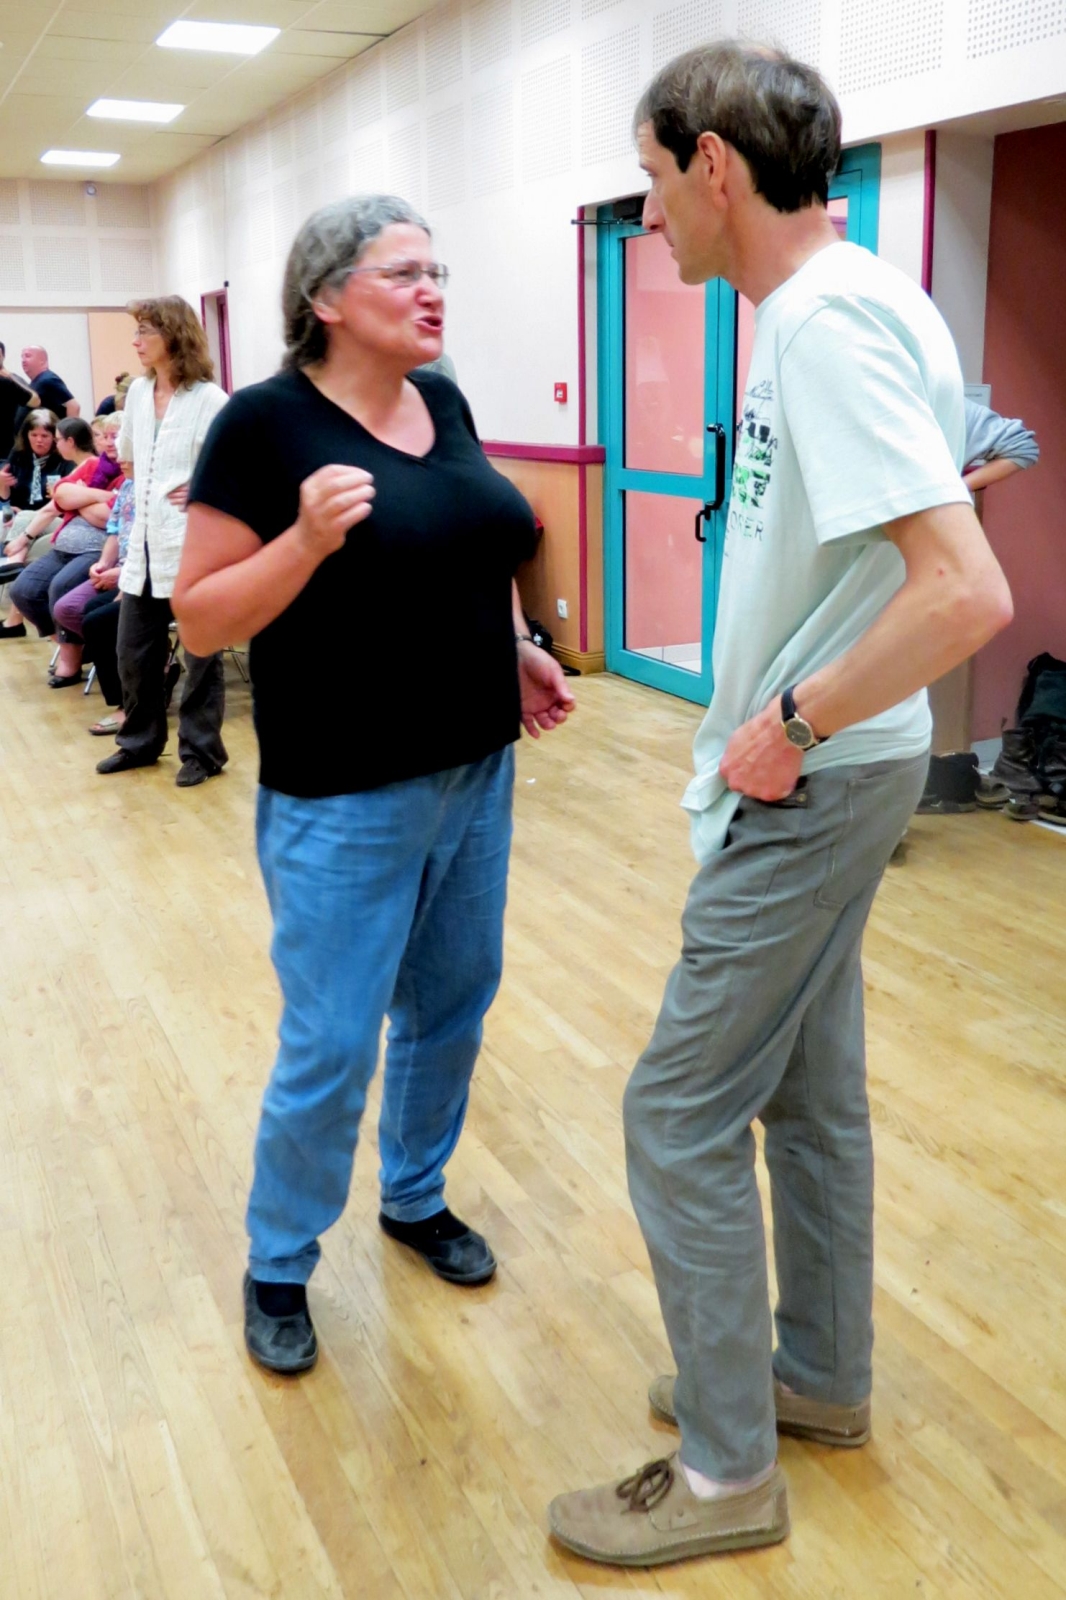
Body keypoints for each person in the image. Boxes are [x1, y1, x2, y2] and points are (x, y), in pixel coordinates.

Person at [548, 41, 1013, 1567]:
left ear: (712, 166)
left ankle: (725, 1475)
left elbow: (964, 593)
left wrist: (788, 724)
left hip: (815, 776)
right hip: (845, 771)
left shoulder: (820, 323)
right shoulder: (856, 300)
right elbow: (905, 534)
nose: (647, 214)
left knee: (675, 1110)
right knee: (808, 1099)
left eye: (650, 177)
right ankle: (814, 1375)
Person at [171, 194, 575, 1376]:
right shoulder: (262, 426)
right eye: (404, 273)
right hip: (343, 796)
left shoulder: (441, 400)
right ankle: (279, 1258)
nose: (432, 291)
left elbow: (477, 545)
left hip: (475, 770)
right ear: (326, 297)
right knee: (334, 1040)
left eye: (437, 271)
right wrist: (300, 542)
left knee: (452, 1002)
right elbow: (200, 620)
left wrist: (515, 645)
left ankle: (413, 1194)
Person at [95, 296, 229, 787]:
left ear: (173, 335)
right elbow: (128, 460)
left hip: (196, 548)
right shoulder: (137, 393)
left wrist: (207, 488)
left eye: (144, 331)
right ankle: (140, 741)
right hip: (145, 546)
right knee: (133, 653)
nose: (135, 341)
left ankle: (202, 752)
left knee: (201, 657)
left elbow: (242, 470)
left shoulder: (210, 400)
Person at [8, 418, 123, 680]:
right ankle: (72, 646)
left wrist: (80, 500)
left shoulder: (128, 474)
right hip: (63, 546)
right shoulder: (94, 465)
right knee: (22, 590)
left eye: (113, 437)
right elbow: (60, 494)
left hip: (96, 550)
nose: (106, 442)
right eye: (102, 436)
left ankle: (71, 658)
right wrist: (100, 497)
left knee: (60, 588)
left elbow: (108, 518)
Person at [19, 346, 79, 423]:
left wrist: (69, 429)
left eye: (28, 356)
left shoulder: (48, 379)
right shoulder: (38, 381)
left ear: (42, 360)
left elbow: (74, 406)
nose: (23, 360)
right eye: (22, 357)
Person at [0, 342, 40, 458]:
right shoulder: (8, 381)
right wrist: (11, 377)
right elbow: (35, 401)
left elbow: (34, 401)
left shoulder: (7, 382)